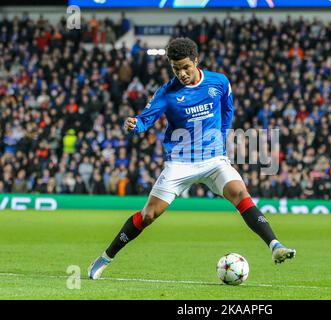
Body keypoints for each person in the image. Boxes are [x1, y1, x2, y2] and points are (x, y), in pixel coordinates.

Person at [88, 38, 295, 280]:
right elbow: (146, 119)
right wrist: (135, 125)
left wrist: (221, 138)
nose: (182, 73)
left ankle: (275, 246)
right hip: (180, 163)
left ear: (196, 61)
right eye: (176, 69)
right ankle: (105, 258)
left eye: (186, 67)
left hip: (213, 159)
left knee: (240, 193)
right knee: (148, 215)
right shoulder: (167, 92)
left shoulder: (219, 82)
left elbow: (227, 110)